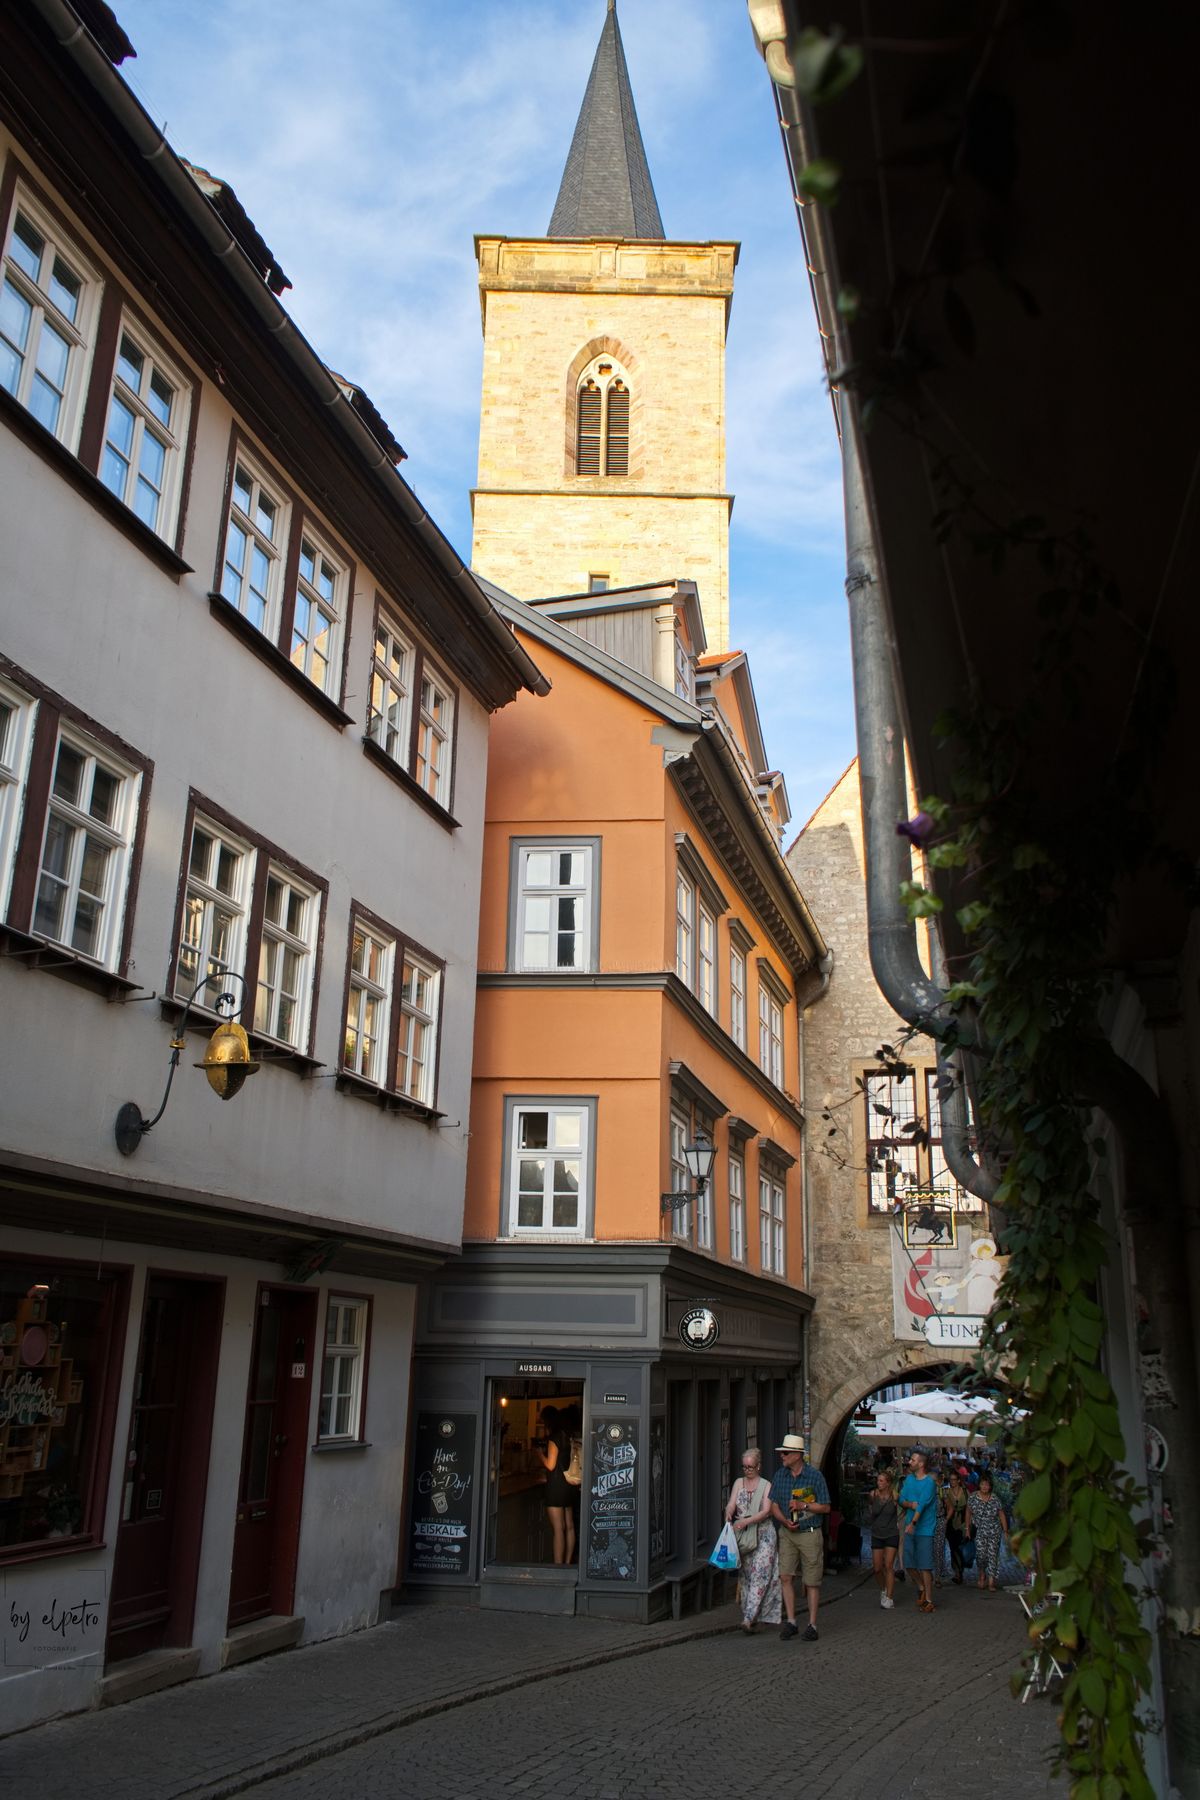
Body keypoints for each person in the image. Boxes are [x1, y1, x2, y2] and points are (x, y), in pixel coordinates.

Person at [769, 1433, 830, 1642]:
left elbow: (826, 1506)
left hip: (810, 1534)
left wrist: (804, 1505)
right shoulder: (780, 1476)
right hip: (787, 1533)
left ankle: (812, 1624)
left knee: (811, 1580)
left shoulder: (815, 1476)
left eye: (785, 1453)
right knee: (785, 1575)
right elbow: (774, 1505)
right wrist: (784, 1521)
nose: (782, 1456)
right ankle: (792, 1621)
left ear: (797, 1455)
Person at [724, 1447, 780, 1633]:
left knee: (760, 1574)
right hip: (744, 1536)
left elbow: (765, 1511)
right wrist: (729, 1512)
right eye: (744, 1467)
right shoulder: (738, 1483)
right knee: (746, 1575)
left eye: (750, 1467)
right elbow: (732, 1503)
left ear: (758, 1466)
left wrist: (746, 1521)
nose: (747, 1470)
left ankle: (748, 1619)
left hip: (763, 1535)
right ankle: (753, 1614)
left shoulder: (766, 1485)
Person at [899, 1449, 938, 1613]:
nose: (910, 1462)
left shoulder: (929, 1483)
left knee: (925, 1566)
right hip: (910, 1527)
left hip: (924, 1529)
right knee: (908, 1564)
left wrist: (913, 1522)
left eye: (913, 1460)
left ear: (921, 1464)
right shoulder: (908, 1480)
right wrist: (909, 1505)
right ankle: (921, 1585)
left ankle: (929, 1600)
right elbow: (901, 1499)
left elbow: (922, 1504)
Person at [536, 1405, 575, 1565]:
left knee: (558, 1528)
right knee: (569, 1526)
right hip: (568, 1484)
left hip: (556, 1486)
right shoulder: (567, 1436)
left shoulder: (554, 1438)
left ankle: (558, 1567)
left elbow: (551, 1465)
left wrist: (540, 1455)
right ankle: (566, 1563)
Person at [965, 1471, 1008, 1590]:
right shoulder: (973, 1497)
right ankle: (982, 1574)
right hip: (979, 1531)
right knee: (981, 1555)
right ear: (979, 1485)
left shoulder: (995, 1498)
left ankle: (991, 1581)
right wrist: (967, 1529)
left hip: (994, 1530)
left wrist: (1005, 1531)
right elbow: (968, 1512)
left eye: (987, 1485)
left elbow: (1001, 1514)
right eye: (983, 1484)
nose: (985, 1487)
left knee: (993, 1555)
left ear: (990, 1486)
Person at [865, 1470, 900, 1608]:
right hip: (877, 1534)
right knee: (877, 1568)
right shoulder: (873, 1495)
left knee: (889, 1565)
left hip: (891, 1533)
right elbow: (870, 1510)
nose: (878, 1483)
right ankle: (884, 1589)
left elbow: (903, 1507)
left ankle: (889, 1598)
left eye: (881, 1481)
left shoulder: (895, 1496)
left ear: (888, 1483)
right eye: (878, 1480)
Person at [943, 1468, 969, 1583]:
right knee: (953, 1548)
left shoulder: (965, 1492)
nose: (952, 1482)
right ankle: (957, 1572)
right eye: (951, 1480)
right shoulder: (946, 1492)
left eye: (954, 1480)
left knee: (960, 1547)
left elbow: (969, 1507)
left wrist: (969, 1524)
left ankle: (960, 1569)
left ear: (959, 1480)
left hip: (963, 1522)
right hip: (950, 1522)